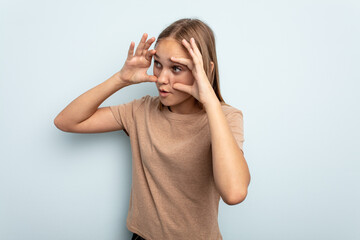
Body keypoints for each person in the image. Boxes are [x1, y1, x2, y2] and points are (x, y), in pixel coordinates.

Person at [54, 18, 251, 240]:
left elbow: (234, 193)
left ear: (205, 69)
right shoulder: (141, 111)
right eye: (158, 64)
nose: (161, 78)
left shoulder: (226, 117)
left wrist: (211, 103)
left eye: (176, 68)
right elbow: (66, 121)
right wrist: (120, 79)